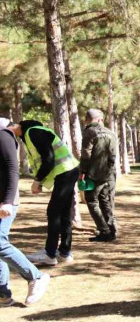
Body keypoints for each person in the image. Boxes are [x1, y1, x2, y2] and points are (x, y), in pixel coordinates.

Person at [6, 120, 79, 266]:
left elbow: (49, 158)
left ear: (12, 127)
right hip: (69, 170)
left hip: (65, 172)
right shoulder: (31, 133)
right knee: (64, 213)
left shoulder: (33, 132)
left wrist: (38, 180)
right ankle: (64, 252)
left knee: (53, 212)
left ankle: (50, 254)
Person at [0, 118, 50, 307]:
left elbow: (12, 170)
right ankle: (3, 295)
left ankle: (36, 277)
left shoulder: (3, 134)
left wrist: (7, 202)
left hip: (5, 202)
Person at [79, 109, 118, 242]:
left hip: (93, 174)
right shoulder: (111, 133)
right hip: (110, 173)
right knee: (106, 201)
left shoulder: (89, 132)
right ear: (101, 119)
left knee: (91, 201)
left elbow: (86, 154)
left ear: (87, 119)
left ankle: (104, 230)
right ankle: (111, 228)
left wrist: (83, 172)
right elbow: (113, 155)